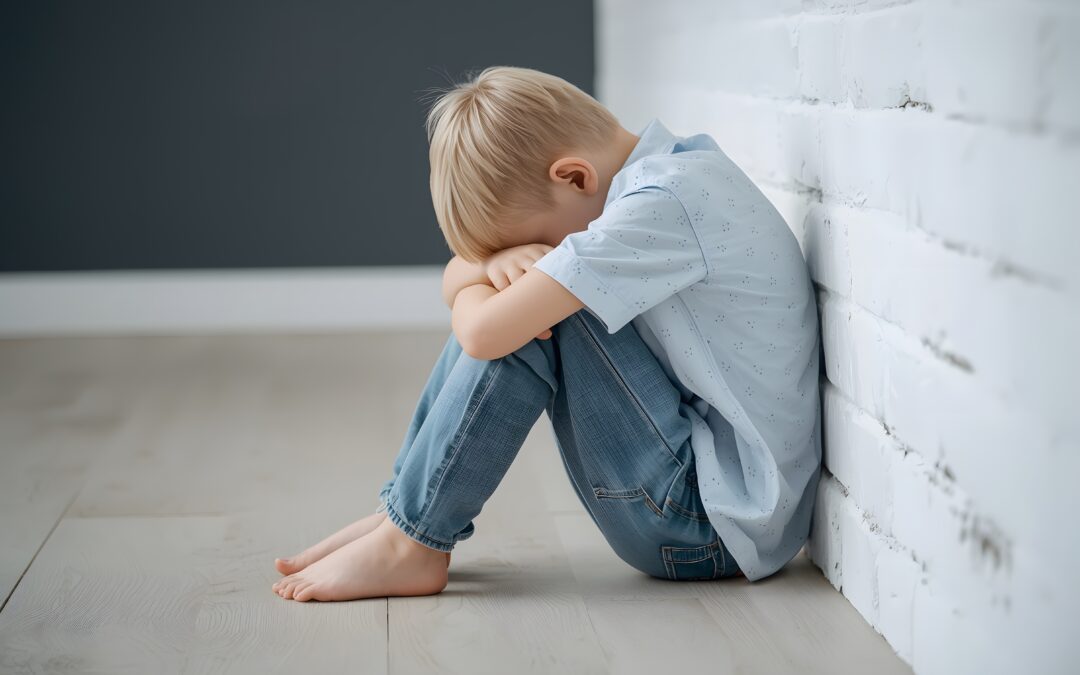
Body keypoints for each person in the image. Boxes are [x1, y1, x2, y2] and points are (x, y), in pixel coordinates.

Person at [271, 66, 821, 602]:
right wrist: (493, 267)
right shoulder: (677, 169)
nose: (538, 257)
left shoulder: (660, 206)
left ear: (575, 178)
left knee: (539, 315)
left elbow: (484, 334)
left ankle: (411, 538)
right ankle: (403, 514)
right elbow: (462, 289)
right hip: (709, 507)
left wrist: (487, 284)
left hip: (704, 526)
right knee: (527, 302)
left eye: (536, 241)